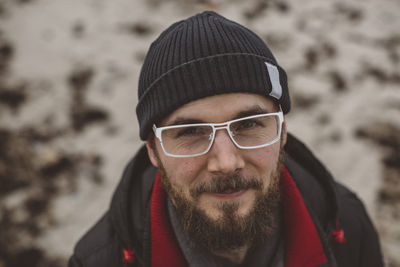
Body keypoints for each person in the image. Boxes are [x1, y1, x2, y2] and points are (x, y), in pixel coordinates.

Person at [68, 11, 383, 267]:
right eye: (190, 132)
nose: (227, 162)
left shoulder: (347, 226)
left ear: (282, 131)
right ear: (153, 150)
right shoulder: (98, 260)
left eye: (247, 125)